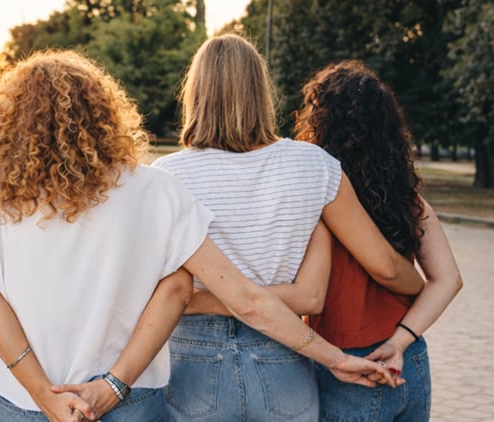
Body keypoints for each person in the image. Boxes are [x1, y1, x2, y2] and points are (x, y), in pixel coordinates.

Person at [0, 50, 395, 422]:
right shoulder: (155, 191)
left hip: (21, 403)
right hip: (130, 400)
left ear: (7, 120)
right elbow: (244, 298)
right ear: (105, 113)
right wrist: (333, 358)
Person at [152, 34, 424, 421]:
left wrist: (207, 300)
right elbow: (370, 268)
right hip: (282, 353)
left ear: (195, 92)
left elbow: (157, 293)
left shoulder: (165, 176)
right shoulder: (314, 166)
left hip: (194, 361)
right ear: (260, 90)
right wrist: (420, 287)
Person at [295, 60, 463, 421]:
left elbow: (386, 270)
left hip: (352, 366)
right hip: (408, 359)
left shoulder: (319, 199)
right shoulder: (408, 198)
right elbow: (449, 279)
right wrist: (400, 341)